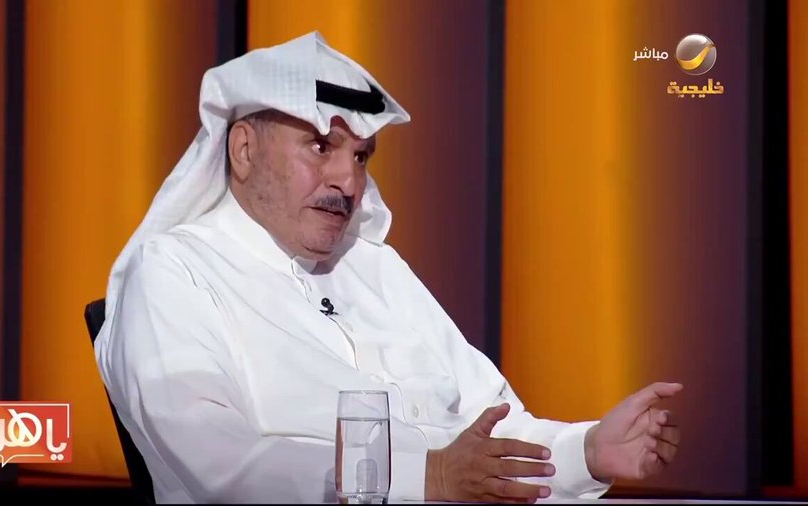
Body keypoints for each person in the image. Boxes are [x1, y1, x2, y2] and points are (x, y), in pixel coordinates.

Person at [94, 31, 681, 504]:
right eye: (321, 147)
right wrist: (431, 478)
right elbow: (221, 466)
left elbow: (490, 426)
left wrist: (588, 452)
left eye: (361, 156)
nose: (348, 182)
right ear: (244, 150)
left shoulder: (375, 268)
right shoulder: (174, 272)